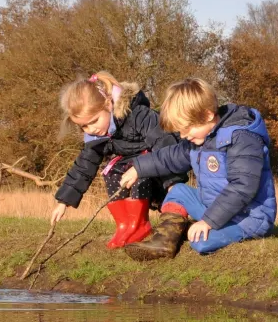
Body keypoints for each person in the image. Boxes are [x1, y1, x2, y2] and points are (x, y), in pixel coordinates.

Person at [119, 78, 276, 259]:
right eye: (179, 132)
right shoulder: (200, 139)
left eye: (186, 129)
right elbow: (169, 157)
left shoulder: (242, 138)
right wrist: (138, 168)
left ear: (208, 115)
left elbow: (242, 187)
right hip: (213, 208)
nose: (183, 136)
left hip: (248, 218)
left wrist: (208, 222)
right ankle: (164, 241)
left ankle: (192, 229)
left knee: (200, 242)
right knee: (178, 191)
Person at [52, 72, 187, 249]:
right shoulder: (97, 138)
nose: (91, 129)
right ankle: (125, 225)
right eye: (84, 126)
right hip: (134, 169)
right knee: (112, 172)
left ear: (108, 104)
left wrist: (173, 184)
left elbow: (165, 145)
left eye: (94, 121)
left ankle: (140, 225)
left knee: (136, 169)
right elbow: (84, 167)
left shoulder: (138, 115)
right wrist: (64, 201)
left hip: (157, 170)